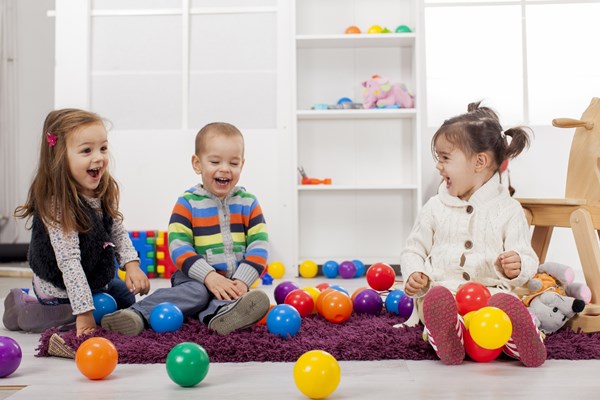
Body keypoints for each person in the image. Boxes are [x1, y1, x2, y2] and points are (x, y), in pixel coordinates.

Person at [400, 102, 546, 367]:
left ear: (479, 162)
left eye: (445, 158)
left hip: (491, 294)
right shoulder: (435, 206)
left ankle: (520, 340)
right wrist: (414, 274)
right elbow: (414, 249)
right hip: (443, 292)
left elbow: (527, 256)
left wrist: (518, 265)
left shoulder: (509, 210)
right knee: (435, 306)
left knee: (502, 311)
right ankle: (448, 335)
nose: (438, 166)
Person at [101, 122, 270, 336]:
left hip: (232, 279)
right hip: (193, 277)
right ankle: (136, 314)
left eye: (233, 163)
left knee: (230, 296)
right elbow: (179, 246)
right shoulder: (188, 203)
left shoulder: (249, 203)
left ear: (242, 165)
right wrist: (208, 276)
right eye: (215, 161)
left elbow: (259, 245)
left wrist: (242, 281)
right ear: (197, 164)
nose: (225, 168)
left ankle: (220, 316)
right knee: (198, 293)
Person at [3, 109, 150, 338]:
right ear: (60, 157)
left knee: (125, 298)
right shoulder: (57, 206)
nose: (99, 157)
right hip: (58, 287)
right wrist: (83, 311)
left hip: (92, 278)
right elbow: (69, 262)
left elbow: (116, 229)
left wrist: (131, 264)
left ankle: (95, 305)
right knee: (71, 319)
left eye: (103, 148)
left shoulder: (101, 189)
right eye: (86, 150)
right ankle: (22, 306)